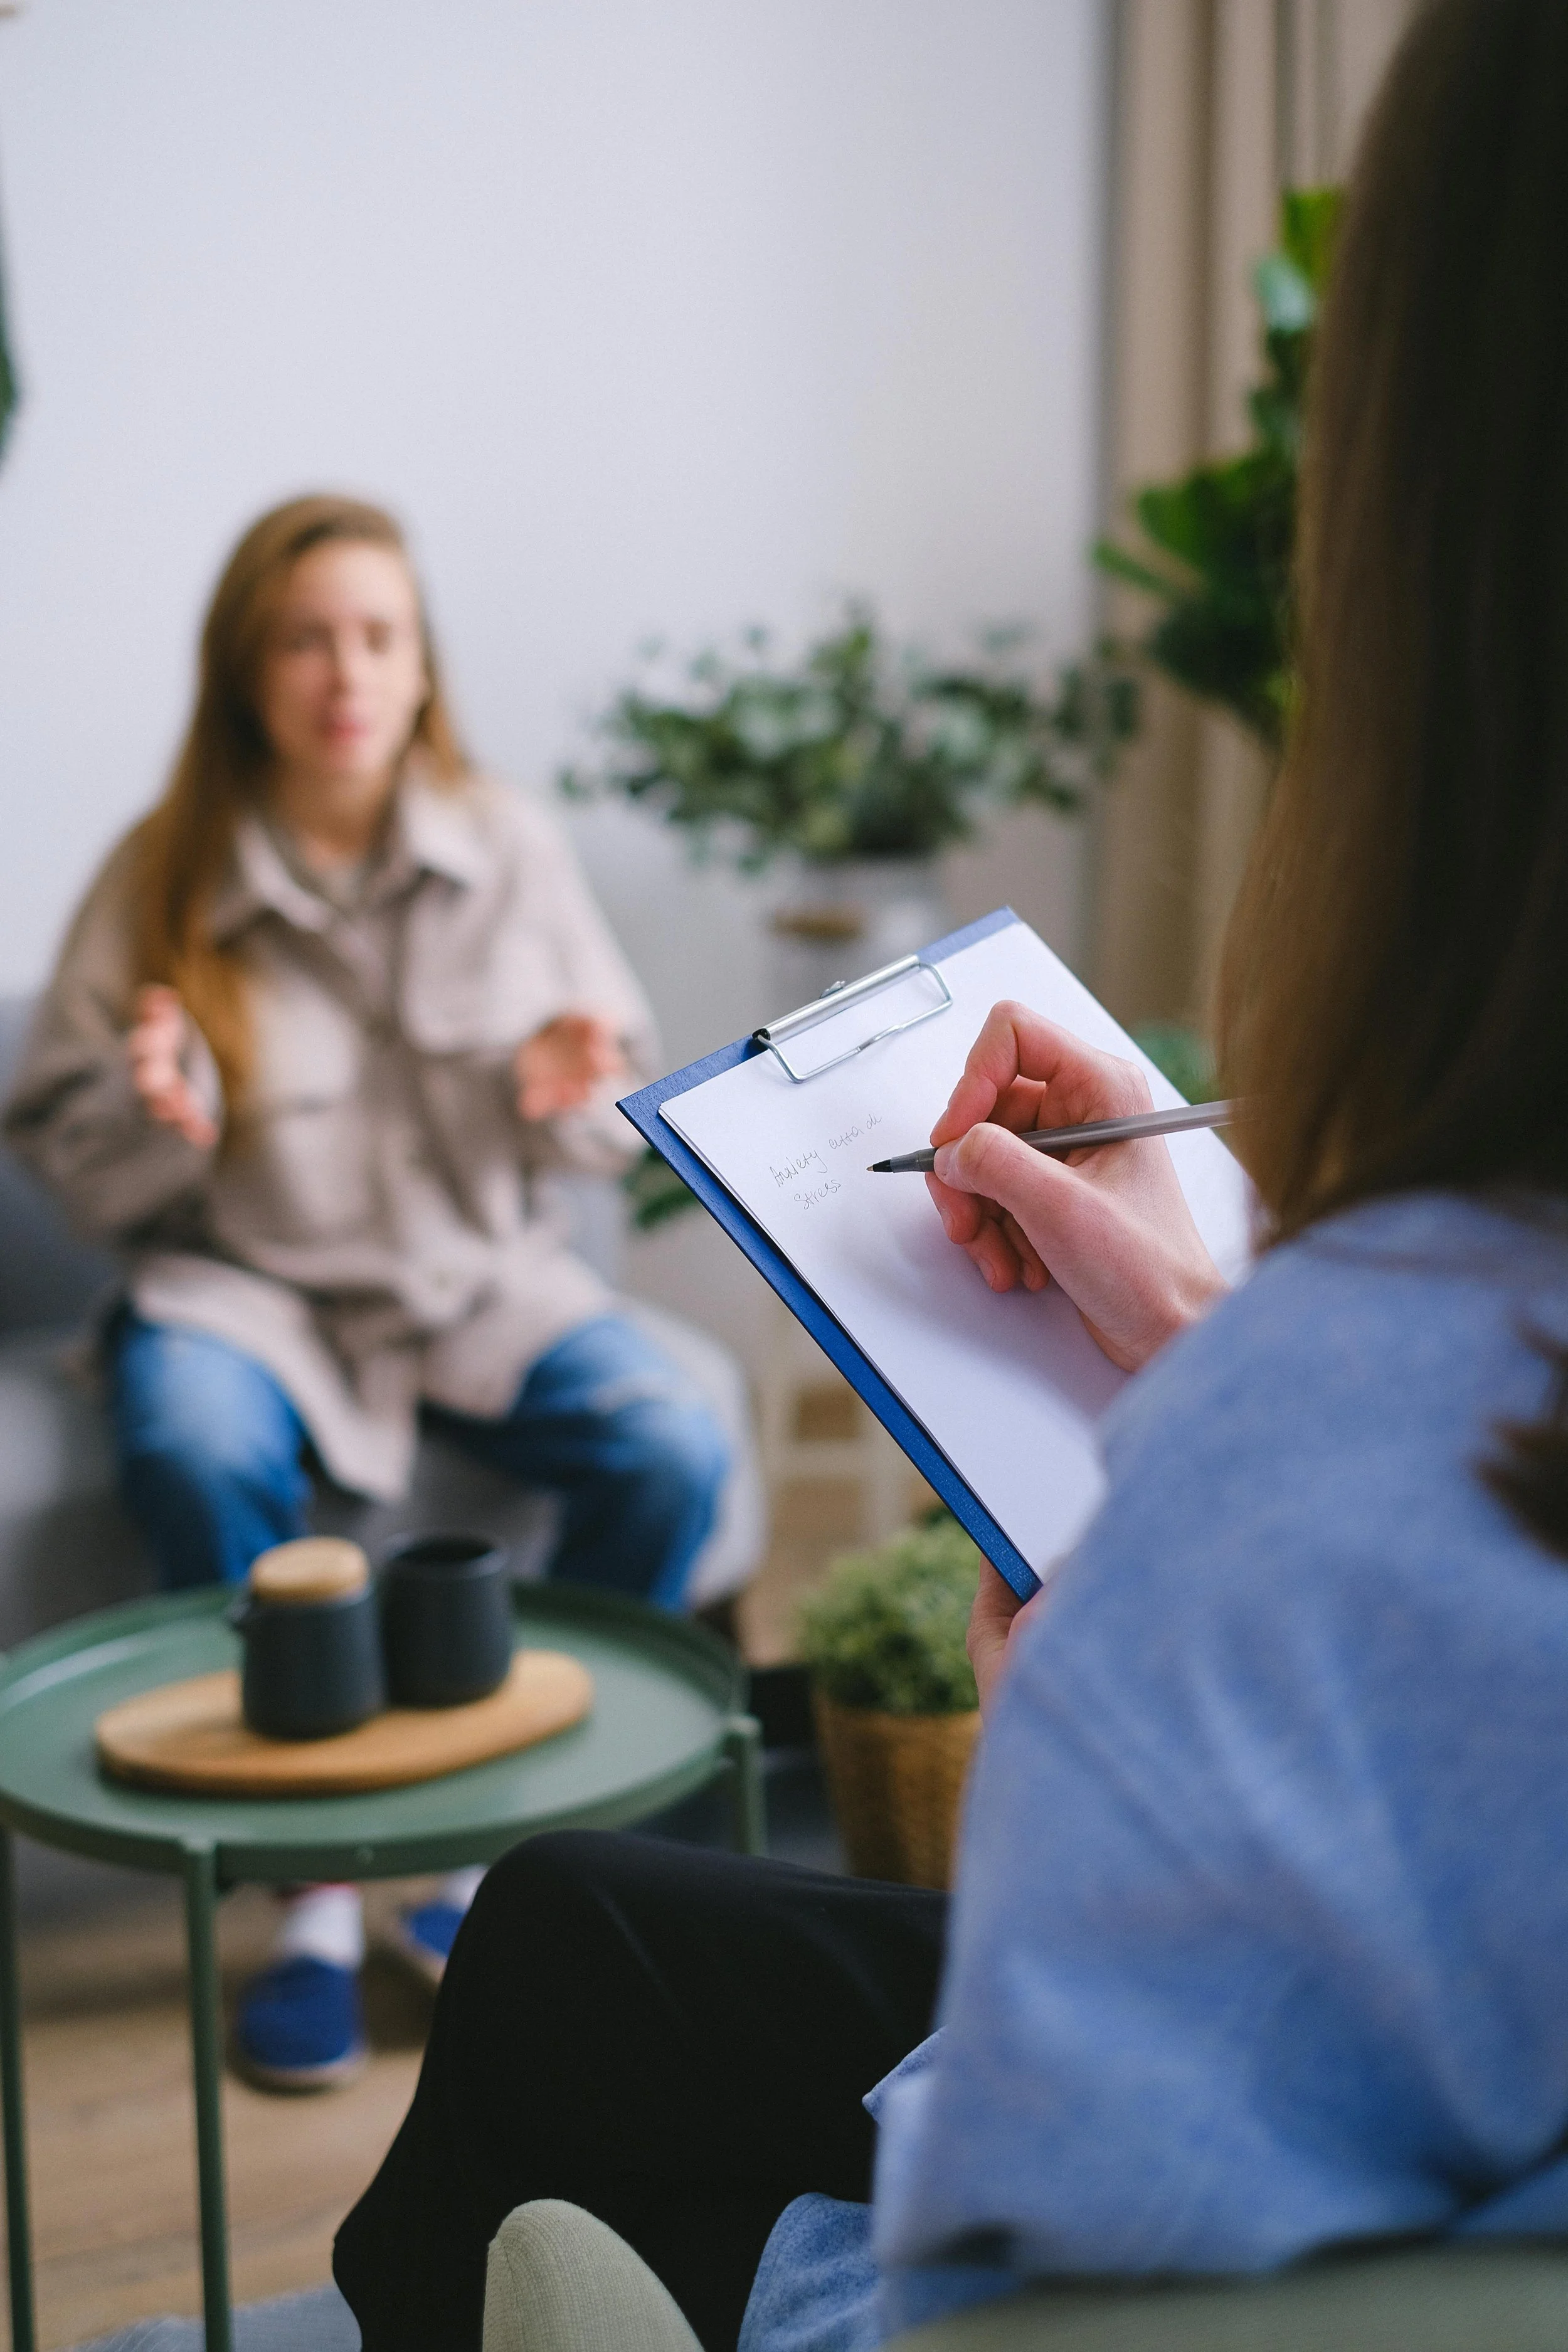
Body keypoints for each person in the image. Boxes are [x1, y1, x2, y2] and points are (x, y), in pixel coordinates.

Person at [329, 1, 1568, 2345]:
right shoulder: (168, 906)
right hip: (318, 1312)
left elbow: (984, 2301)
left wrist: (1071, 1793)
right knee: (581, 1918)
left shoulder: (1316, 1510)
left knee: (555, 2066)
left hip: (1054, 2188)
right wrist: (1210, 1347)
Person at [3, 494, 729, 2090]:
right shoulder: (162, 870)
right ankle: (314, 1899)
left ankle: (496, 1869)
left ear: (421, 667)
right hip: (244, 1293)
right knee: (186, 1435)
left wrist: (565, 1094)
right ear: (245, 672)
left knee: (675, 1446)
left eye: (378, 636)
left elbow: (608, 1131)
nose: (345, 671)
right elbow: (65, 1148)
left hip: (475, 1288)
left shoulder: (512, 845)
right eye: (305, 638)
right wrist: (153, 1113)